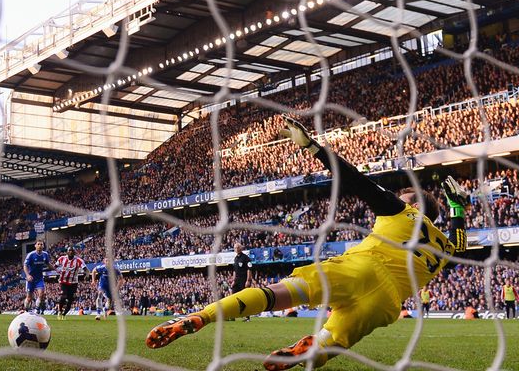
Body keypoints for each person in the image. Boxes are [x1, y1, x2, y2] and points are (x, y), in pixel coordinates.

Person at [146, 117, 468, 370]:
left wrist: (312, 147)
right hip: (387, 304)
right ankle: (311, 350)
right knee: (330, 341)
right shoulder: (442, 249)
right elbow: (460, 245)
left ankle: (203, 316)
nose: (399, 198)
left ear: (412, 206)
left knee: (284, 293)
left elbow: (354, 179)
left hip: (363, 267)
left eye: (404, 197)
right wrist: (458, 210)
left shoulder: (402, 213)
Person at [54, 247, 89, 320]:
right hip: (63, 281)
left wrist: (87, 275)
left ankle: (64, 314)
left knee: (70, 299)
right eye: (69, 250)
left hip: (73, 283)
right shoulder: (62, 259)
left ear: (74, 252)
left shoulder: (79, 260)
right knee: (64, 296)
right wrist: (58, 272)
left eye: (72, 250)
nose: (71, 252)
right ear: (67, 252)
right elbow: (54, 266)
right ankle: (60, 311)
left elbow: (86, 270)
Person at [23, 239, 55, 314]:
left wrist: (55, 268)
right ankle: (26, 309)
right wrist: (27, 275)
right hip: (31, 279)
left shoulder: (45, 254)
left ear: (43, 246)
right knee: (29, 298)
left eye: (41, 244)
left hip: (39, 278)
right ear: (35, 245)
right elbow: (25, 266)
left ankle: (37, 309)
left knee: (41, 294)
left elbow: (48, 264)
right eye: (38, 244)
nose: (40, 246)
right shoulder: (31, 255)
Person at [232, 242, 253, 322]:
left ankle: (247, 317)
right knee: (234, 297)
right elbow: (234, 271)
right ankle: (233, 315)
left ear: (241, 248)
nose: (236, 249)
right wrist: (233, 281)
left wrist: (248, 280)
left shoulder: (246, 258)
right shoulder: (235, 259)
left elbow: (249, 269)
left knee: (245, 298)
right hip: (237, 280)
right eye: (235, 248)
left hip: (244, 280)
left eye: (237, 247)